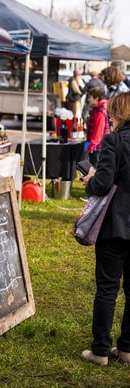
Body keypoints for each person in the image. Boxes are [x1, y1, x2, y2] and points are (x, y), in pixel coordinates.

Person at [80, 91, 130, 366]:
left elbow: (102, 184)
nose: (109, 116)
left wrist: (91, 179)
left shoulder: (114, 140)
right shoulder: (114, 139)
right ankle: (126, 349)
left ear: (119, 113)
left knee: (107, 288)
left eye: (112, 112)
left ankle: (100, 351)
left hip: (115, 225)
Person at [84, 87, 110, 168]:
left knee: (95, 168)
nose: (89, 100)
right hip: (97, 145)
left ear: (96, 98)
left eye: (90, 97)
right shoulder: (97, 110)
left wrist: (92, 144)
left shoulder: (99, 112)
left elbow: (99, 131)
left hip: (98, 147)